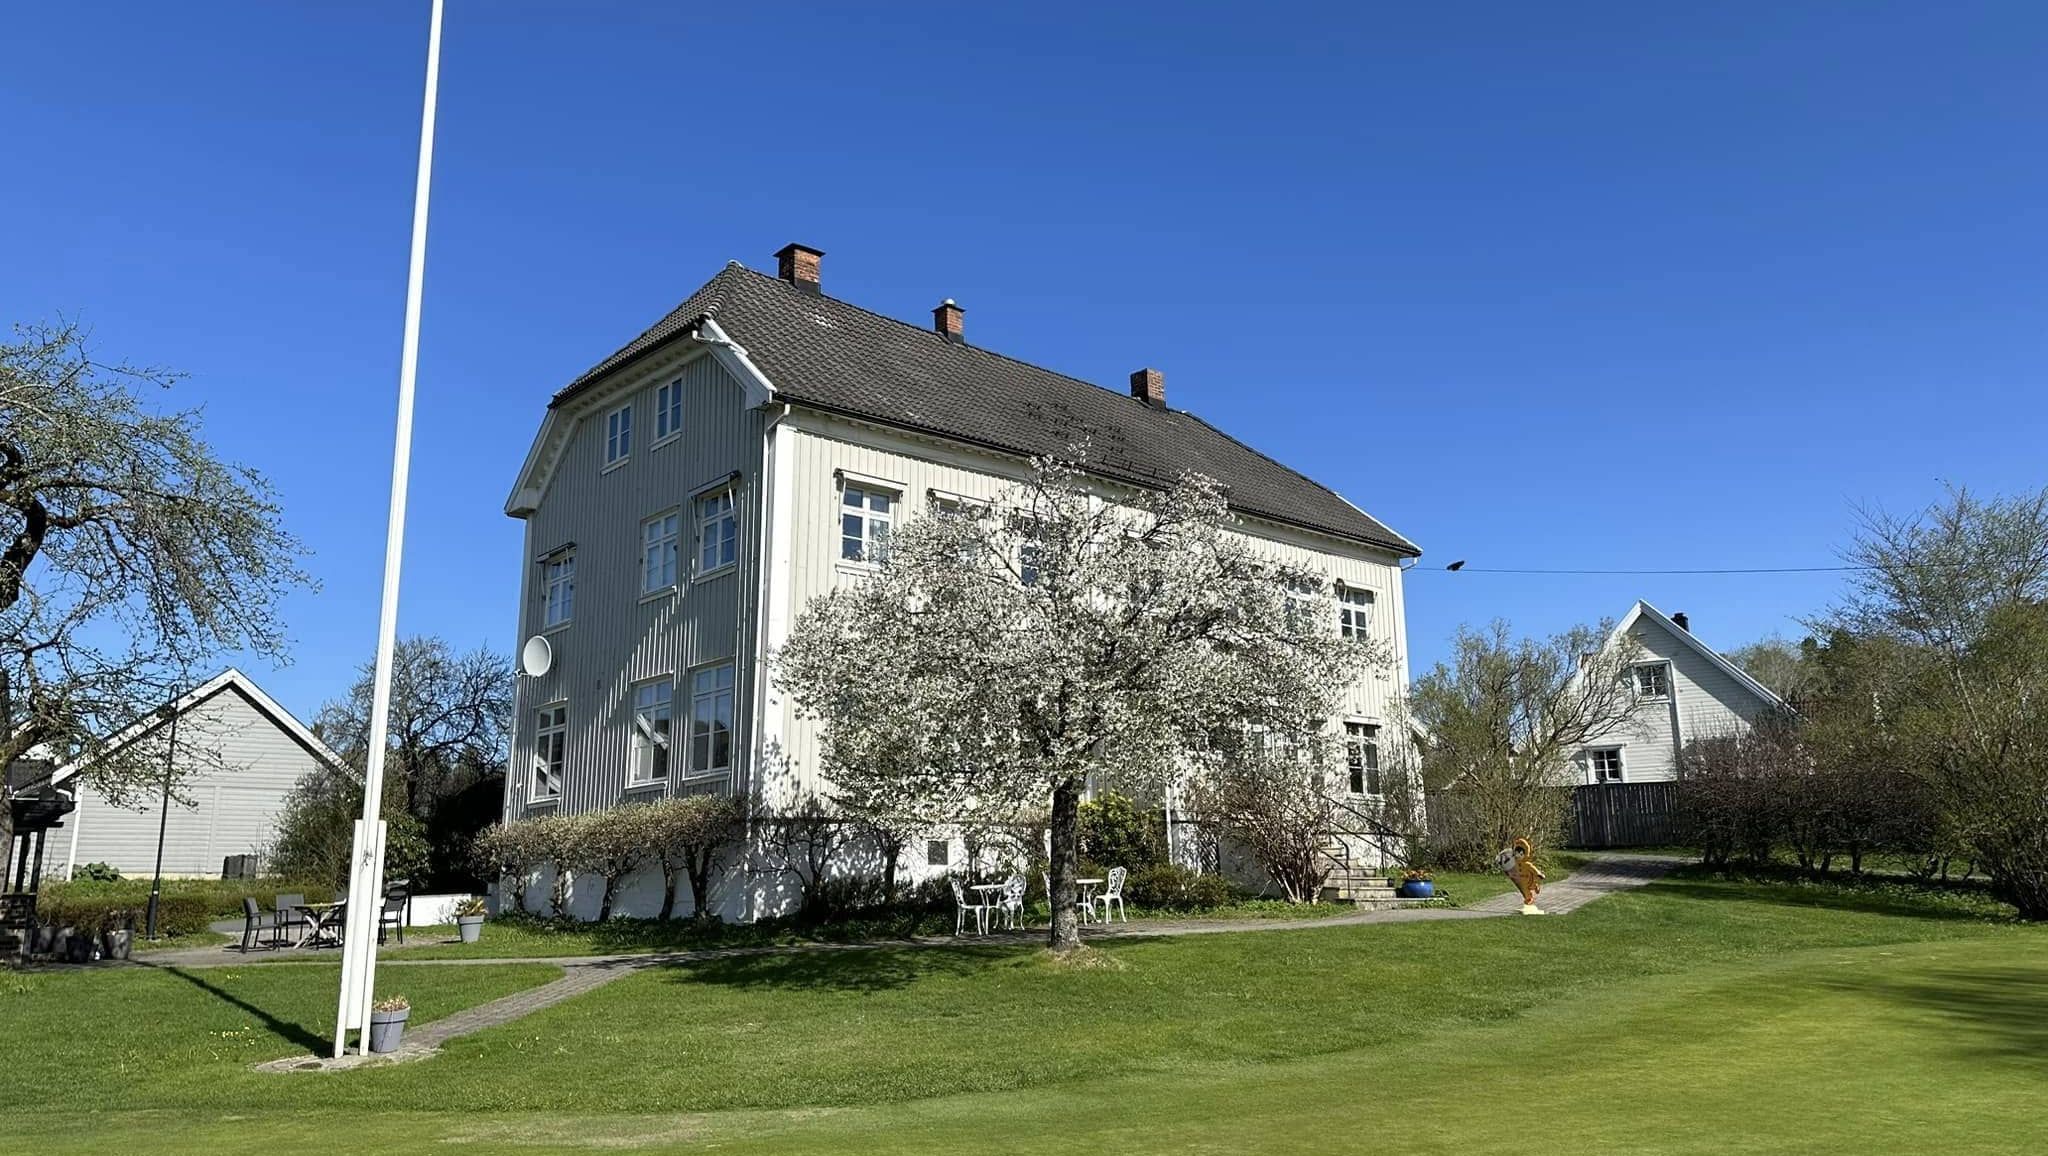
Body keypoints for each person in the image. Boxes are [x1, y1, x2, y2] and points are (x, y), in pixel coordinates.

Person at [1494, 837, 1547, 914]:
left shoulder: (1527, 864)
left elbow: (1533, 869)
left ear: (1524, 854)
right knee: (1525, 891)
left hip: (1529, 879)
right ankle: (1528, 900)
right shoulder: (1515, 863)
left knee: (1531, 886)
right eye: (1516, 854)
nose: (1518, 856)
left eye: (1520, 854)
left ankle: (1536, 886)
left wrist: (1539, 874)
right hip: (1522, 880)